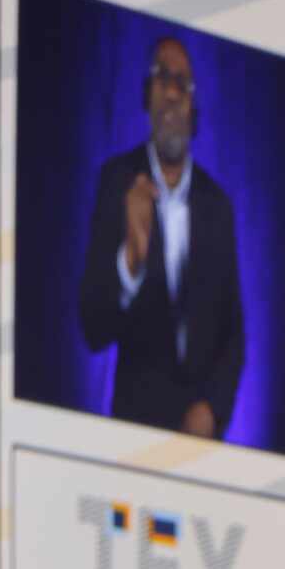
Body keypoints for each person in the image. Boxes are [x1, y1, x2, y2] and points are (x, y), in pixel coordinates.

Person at [78, 36, 244, 439]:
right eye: (162, 78)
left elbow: (233, 334)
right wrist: (130, 262)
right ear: (145, 97)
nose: (172, 92)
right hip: (135, 434)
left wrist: (210, 410)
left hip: (202, 445)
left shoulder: (218, 206)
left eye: (183, 83)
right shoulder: (117, 181)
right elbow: (92, 328)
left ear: (194, 108)